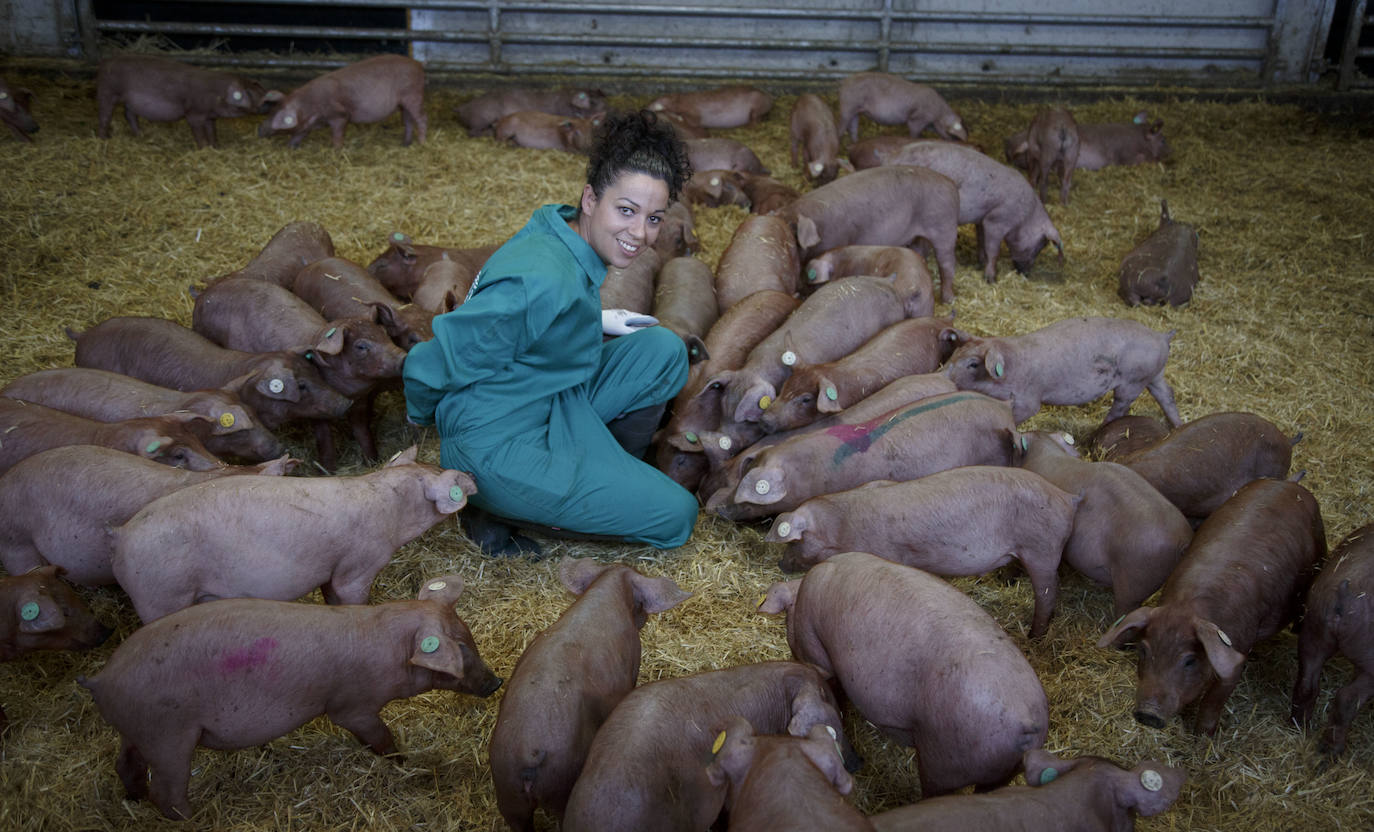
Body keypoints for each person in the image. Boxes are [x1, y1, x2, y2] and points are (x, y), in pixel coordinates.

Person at [402, 109, 698, 556]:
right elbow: (430, 363)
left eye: (654, 218)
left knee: (664, 351)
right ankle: (497, 507)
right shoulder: (539, 280)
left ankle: (608, 474)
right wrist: (422, 418)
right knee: (676, 515)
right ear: (590, 199)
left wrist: (591, 319)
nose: (640, 233)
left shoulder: (559, 231)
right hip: (496, 443)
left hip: (547, 397)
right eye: (626, 210)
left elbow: (527, 315)